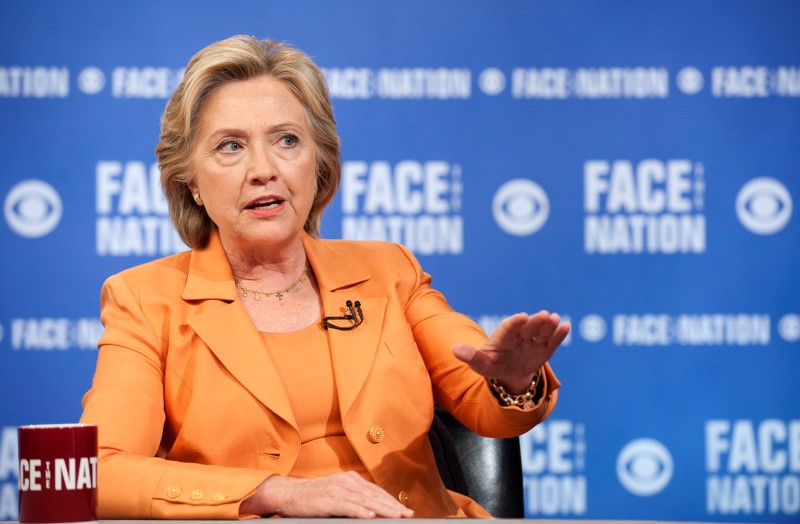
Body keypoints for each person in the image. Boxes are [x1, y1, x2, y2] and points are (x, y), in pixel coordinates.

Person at [79, 35, 570, 519]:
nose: (263, 170)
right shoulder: (145, 301)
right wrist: (274, 493)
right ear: (192, 182)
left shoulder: (388, 271)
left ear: (319, 164)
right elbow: (100, 472)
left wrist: (511, 378)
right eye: (231, 146)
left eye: (286, 140)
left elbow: (482, 399)